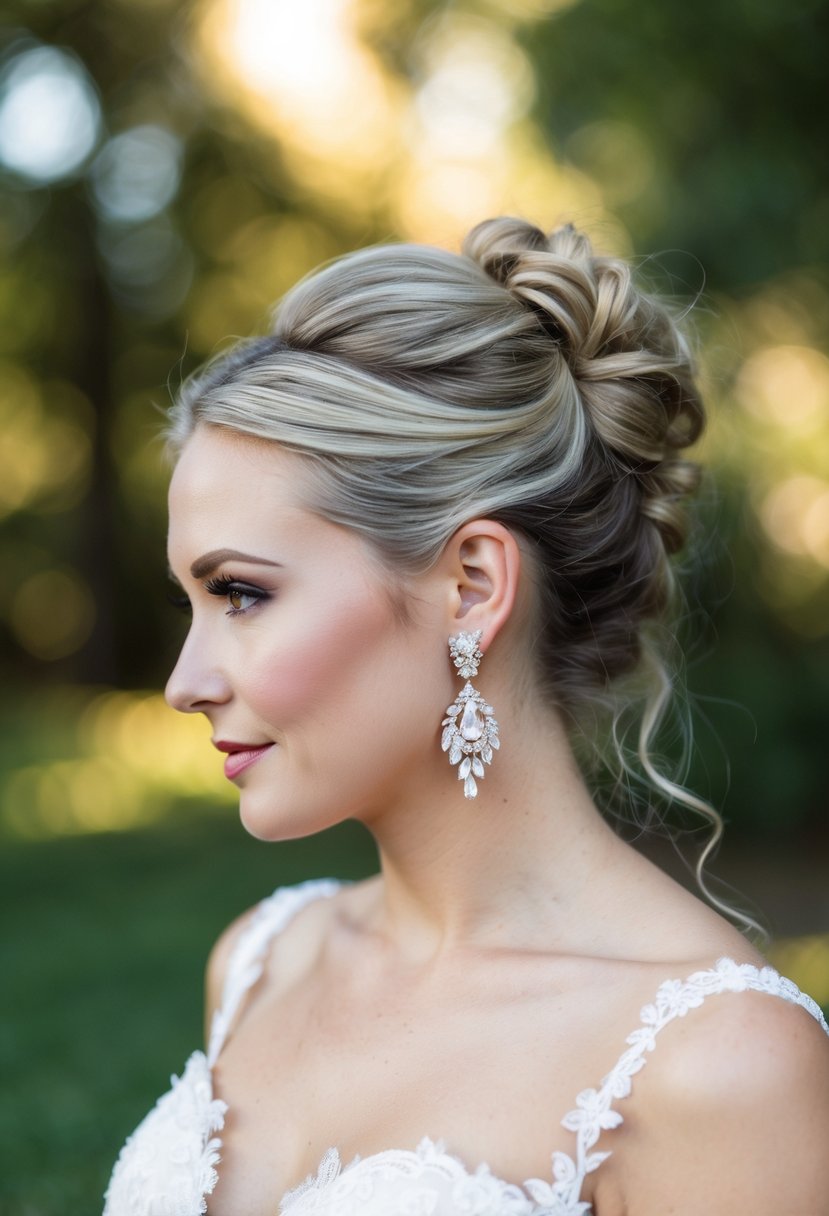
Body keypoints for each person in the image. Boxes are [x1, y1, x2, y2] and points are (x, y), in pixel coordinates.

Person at [103, 217, 829, 1216]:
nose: (185, 681)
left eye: (241, 593)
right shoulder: (262, 958)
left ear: (472, 585)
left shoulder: (716, 1065)